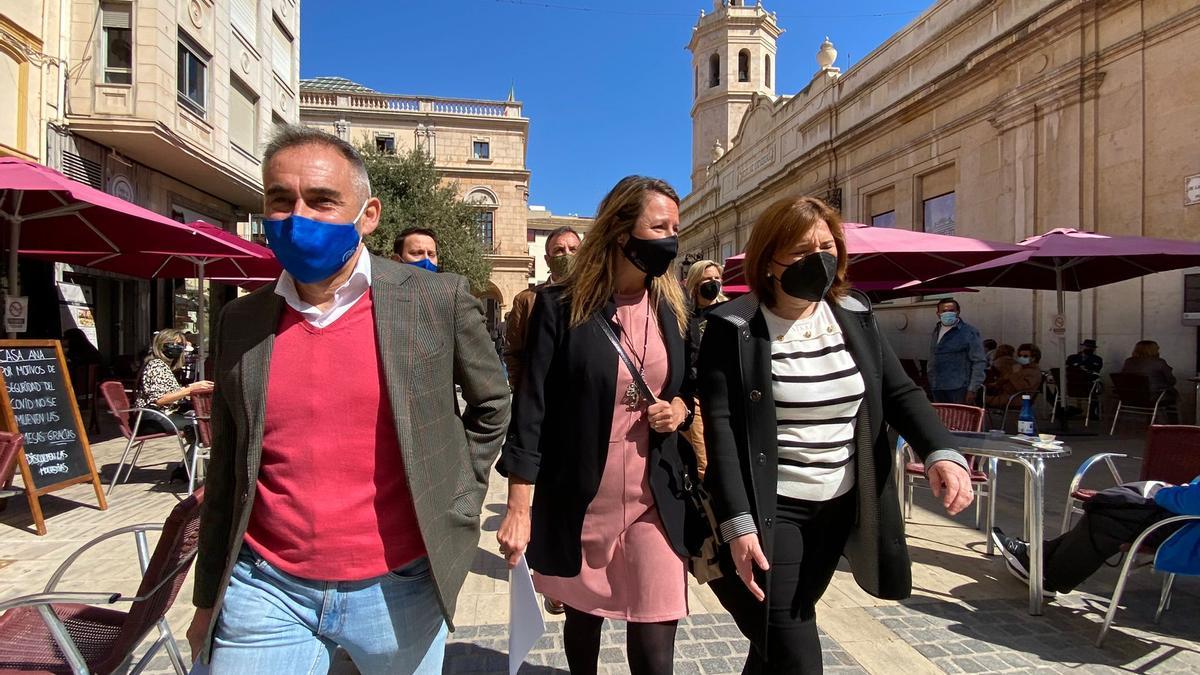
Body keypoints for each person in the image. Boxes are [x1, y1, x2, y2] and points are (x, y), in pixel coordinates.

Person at [186, 125, 511, 674]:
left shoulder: (435, 300)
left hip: (400, 588)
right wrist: (204, 599)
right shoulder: (241, 320)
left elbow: (492, 404)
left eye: (322, 201)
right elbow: (226, 469)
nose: (298, 217)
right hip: (265, 587)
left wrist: (459, 493)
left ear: (368, 214)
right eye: (281, 200)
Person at [697, 196, 973, 673]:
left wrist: (940, 452)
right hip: (772, 509)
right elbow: (720, 430)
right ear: (770, 261)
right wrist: (736, 522)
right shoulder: (733, 326)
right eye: (802, 251)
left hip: (838, 506)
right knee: (794, 643)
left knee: (774, 642)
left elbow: (899, 390)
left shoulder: (854, 312)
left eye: (828, 246)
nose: (819, 260)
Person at [497, 176, 696, 675]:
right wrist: (519, 506)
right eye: (658, 226)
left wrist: (680, 408)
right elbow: (532, 407)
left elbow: (690, 384)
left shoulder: (673, 306)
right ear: (620, 231)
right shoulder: (559, 306)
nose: (671, 238)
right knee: (583, 626)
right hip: (583, 497)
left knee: (655, 643)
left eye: (676, 226)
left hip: (655, 499)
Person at [992, 480, 1200, 594]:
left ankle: (1049, 575)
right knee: (1118, 505)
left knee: (1109, 513)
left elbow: (1193, 500)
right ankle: (1037, 555)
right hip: (1186, 522)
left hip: (1187, 533)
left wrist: (1168, 493)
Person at [503, 225, 582, 391]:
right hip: (543, 396)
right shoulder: (527, 300)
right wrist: (522, 392)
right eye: (559, 250)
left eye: (573, 249)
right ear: (547, 259)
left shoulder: (596, 297)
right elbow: (513, 352)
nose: (567, 254)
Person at [133, 329, 212, 483]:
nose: (176, 347)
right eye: (171, 344)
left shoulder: (163, 366)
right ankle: (186, 470)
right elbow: (160, 400)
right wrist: (191, 389)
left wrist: (190, 389)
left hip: (163, 415)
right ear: (160, 344)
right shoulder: (156, 365)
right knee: (204, 426)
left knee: (201, 425)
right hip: (153, 418)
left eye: (180, 345)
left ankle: (186, 469)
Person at [683, 259, 728, 478]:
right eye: (707, 279)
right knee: (703, 459)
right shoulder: (685, 318)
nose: (713, 283)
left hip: (726, 397)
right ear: (694, 283)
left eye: (716, 279)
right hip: (698, 396)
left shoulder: (729, 313)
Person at [927, 298, 987, 405]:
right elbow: (933, 356)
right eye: (944, 311)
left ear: (958, 312)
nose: (948, 313)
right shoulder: (936, 330)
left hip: (959, 388)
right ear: (938, 313)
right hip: (937, 386)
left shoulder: (969, 332)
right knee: (942, 419)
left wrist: (973, 388)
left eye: (951, 310)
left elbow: (979, 361)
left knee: (961, 419)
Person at [1120, 340, 1179, 411]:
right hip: (1154, 396)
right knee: (1174, 396)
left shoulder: (1128, 361)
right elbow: (1171, 381)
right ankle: (1173, 420)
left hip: (1130, 396)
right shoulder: (1159, 362)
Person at [985, 343, 1042, 408]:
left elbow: (1022, 387)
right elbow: (1006, 379)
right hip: (1005, 395)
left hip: (1015, 398)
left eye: (1025, 356)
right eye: (1020, 356)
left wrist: (1014, 374)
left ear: (1033, 358)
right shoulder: (1020, 368)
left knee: (979, 399)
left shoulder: (1034, 372)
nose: (1021, 358)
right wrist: (996, 384)